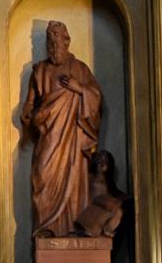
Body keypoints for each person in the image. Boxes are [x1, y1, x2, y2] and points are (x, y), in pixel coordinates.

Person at [21, 20, 102, 237]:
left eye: (57, 39)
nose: (53, 45)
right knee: (43, 175)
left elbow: (96, 97)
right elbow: (30, 102)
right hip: (48, 134)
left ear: (66, 40)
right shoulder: (39, 71)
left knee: (74, 180)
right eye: (50, 40)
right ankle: (46, 227)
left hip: (73, 138)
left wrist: (79, 88)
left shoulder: (80, 69)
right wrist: (28, 113)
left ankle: (74, 229)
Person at [73, 149, 127, 238]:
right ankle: (100, 229)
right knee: (115, 206)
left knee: (119, 211)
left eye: (105, 161)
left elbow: (117, 196)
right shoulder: (88, 177)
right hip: (91, 208)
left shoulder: (109, 183)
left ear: (109, 164)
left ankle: (107, 229)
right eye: (99, 160)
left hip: (104, 210)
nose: (101, 163)